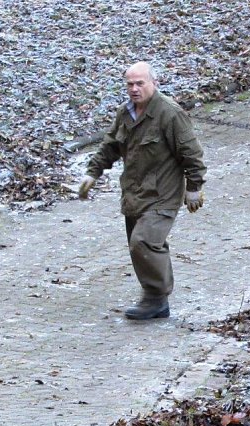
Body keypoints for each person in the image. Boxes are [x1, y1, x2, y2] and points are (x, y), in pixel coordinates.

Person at [78, 61, 207, 320]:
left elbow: (191, 153)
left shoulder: (170, 113)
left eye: (140, 83)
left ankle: (156, 298)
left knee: (144, 242)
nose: (134, 89)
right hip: (134, 193)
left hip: (163, 194)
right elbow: (110, 145)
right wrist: (93, 172)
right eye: (130, 84)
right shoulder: (126, 113)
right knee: (140, 246)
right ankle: (155, 299)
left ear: (154, 84)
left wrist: (194, 187)